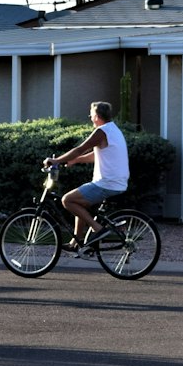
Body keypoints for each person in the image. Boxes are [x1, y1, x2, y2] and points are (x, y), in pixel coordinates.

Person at [47, 100, 129, 253]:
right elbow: (96, 155)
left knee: (68, 200)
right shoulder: (113, 130)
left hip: (107, 183)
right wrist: (76, 160)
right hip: (116, 182)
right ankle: (76, 242)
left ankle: (98, 229)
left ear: (97, 116)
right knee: (80, 203)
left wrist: (56, 160)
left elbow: (80, 149)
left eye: (91, 115)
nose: (90, 118)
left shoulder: (101, 131)